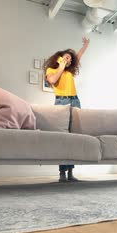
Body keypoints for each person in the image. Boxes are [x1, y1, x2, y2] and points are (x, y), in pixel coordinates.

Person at [43, 37, 90, 182]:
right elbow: (52, 80)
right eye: (66, 56)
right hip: (61, 101)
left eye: (70, 58)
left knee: (74, 136)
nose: (69, 58)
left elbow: (79, 56)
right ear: (60, 57)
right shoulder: (52, 69)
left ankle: (71, 172)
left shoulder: (70, 70)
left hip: (74, 100)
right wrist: (61, 66)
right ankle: (62, 173)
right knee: (63, 137)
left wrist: (85, 45)